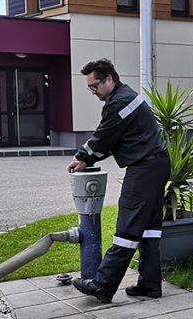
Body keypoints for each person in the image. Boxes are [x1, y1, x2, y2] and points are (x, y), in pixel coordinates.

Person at [67, 58, 169, 303]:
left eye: (95, 86)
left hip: (144, 168)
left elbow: (104, 136)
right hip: (157, 164)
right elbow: (114, 138)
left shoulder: (119, 103)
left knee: (128, 226)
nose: (93, 91)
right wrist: (88, 157)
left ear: (109, 79)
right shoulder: (126, 97)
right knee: (150, 229)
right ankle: (150, 285)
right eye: (89, 87)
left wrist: (82, 156)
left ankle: (103, 285)